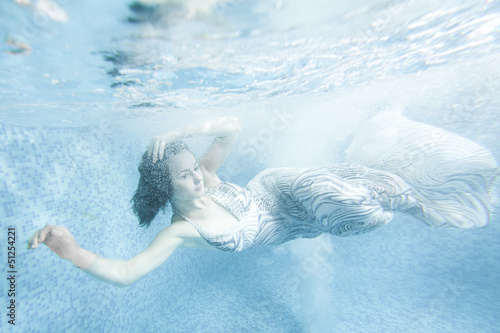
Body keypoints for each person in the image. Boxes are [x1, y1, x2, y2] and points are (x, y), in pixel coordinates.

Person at [27, 114, 498, 287]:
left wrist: (180, 132)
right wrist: (71, 251)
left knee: (354, 197)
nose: (199, 176)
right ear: (165, 190)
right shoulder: (181, 231)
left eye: (195, 167)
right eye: (186, 176)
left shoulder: (207, 175)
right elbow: (126, 274)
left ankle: (417, 193)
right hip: (295, 218)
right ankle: (420, 196)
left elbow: (231, 126)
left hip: (286, 187)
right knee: (366, 206)